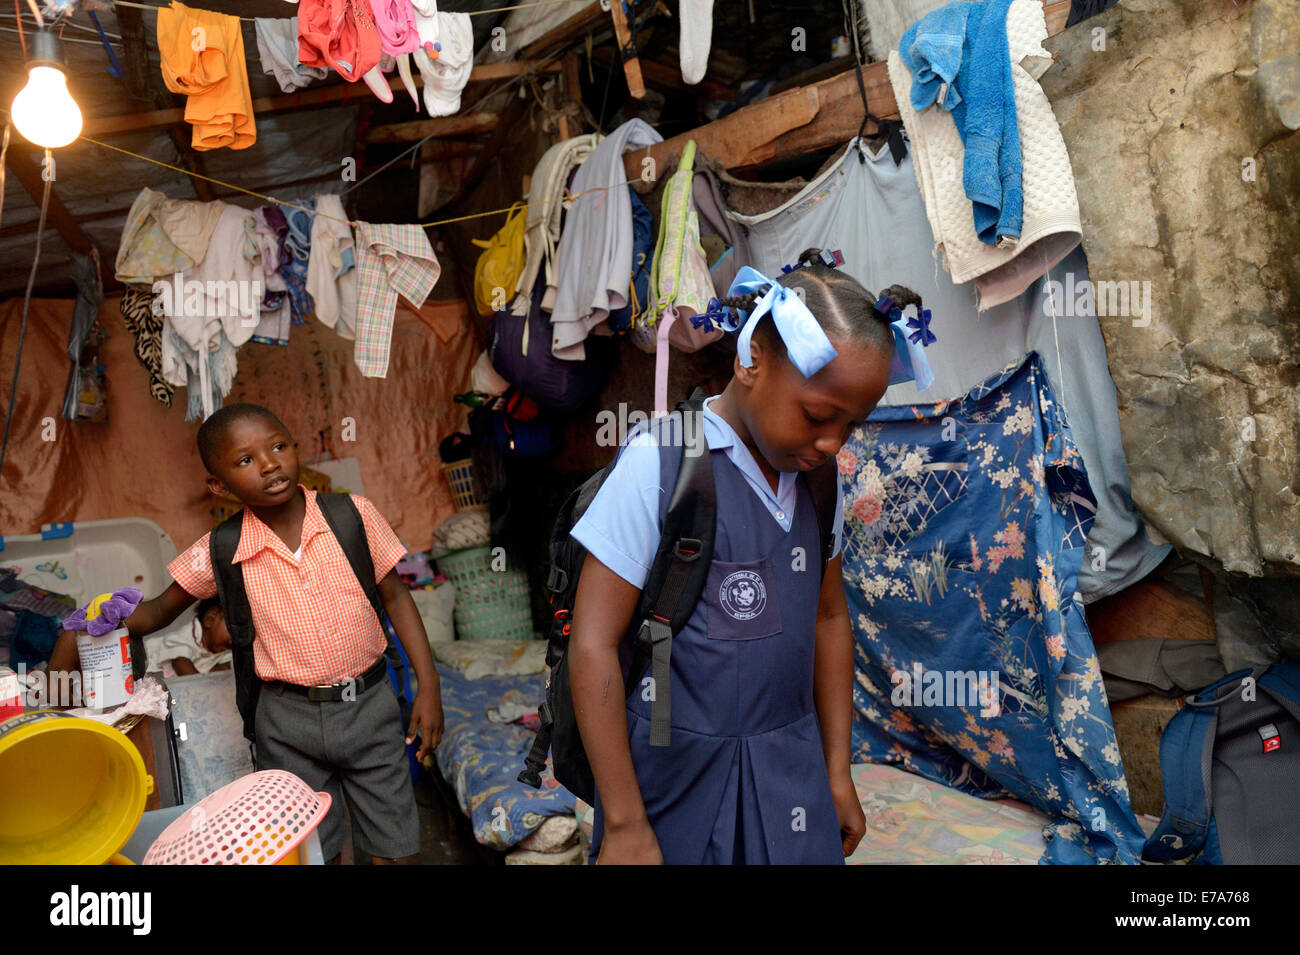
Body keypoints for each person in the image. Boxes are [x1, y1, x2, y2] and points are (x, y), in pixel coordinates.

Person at [569, 248, 929, 865]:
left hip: (791, 774)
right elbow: (593, 643)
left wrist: (836, 774)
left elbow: (828, 619)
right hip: (672, 782)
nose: (831, 443)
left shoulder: (817, 485)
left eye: (852, 425)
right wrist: (626, 824)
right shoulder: (661, 464)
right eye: (817, 416)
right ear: (749, 360)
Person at [52, 403, 443, 865]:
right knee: (312, 848)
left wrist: (428, 686)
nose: (269, 463)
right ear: (219, 485)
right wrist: (100, 616)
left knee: (397, 850)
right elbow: (158, 610)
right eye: (245, 460)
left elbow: (396, 598)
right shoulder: (221, 547)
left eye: (278, 446)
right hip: (285, 720)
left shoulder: (351, 517)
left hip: (370, 706)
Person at [159, 596, 232, 676]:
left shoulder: (226, 649)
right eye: (234, 630)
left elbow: (223, 675)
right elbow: (187, 673)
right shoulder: (183, 638)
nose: (238, 638)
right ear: (210, 619)